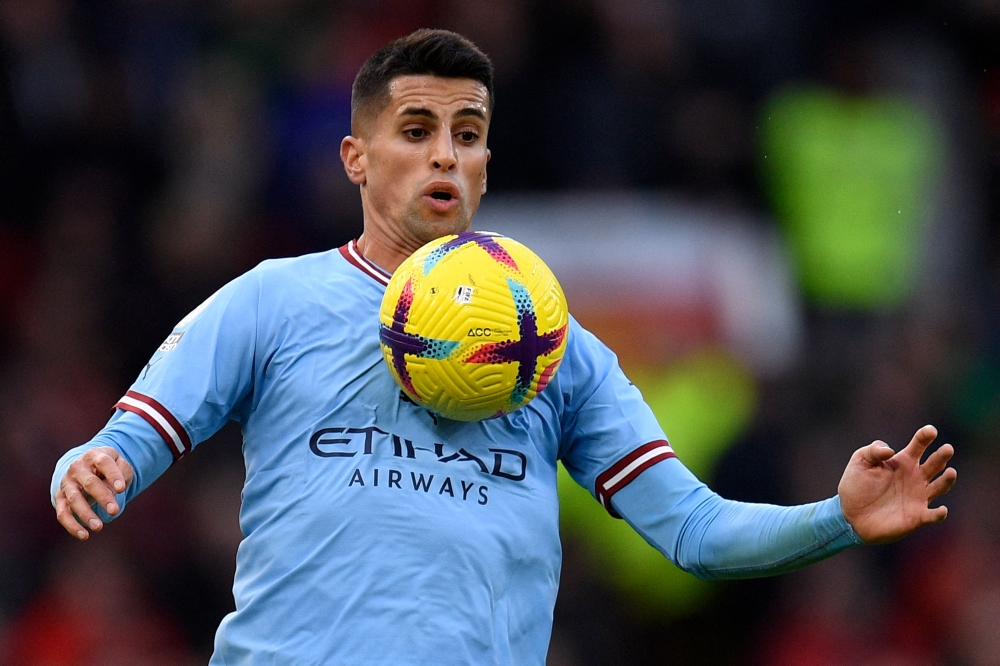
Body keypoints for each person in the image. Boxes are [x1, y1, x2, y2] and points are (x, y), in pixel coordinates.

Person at [50, 29, 957, 665]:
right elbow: (123, 443)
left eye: (469, 135)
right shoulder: (273, 301)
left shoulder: (558, 351)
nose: (446, 156)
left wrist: (835, 518)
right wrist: (85, 466)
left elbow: (692, 529)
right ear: (355, 157)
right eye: (416, 133)